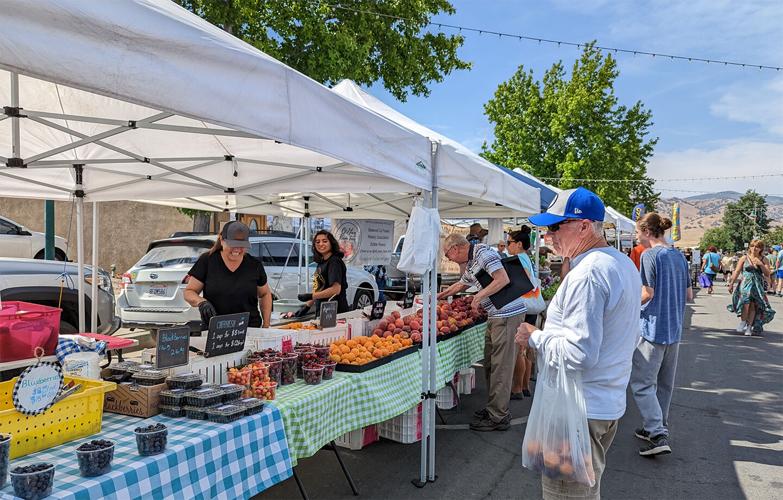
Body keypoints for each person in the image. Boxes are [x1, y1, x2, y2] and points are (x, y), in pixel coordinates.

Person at [515, 187, 641, 500]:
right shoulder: (620, 264)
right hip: (600, 404)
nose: (548, 235)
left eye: (556, 227)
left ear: (583, 226)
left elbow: (579, 353)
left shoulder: (588, 273)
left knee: (567, 495)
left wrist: (535, 337)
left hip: (579, 410)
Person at [439, 233, 526, 431]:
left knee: (501, 366)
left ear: (456, 248)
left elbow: (502, 279)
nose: (448, 259)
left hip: (507, 315)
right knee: (490, 364)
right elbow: (461, 284)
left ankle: (498, 417)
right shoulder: (471, 263)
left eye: (447, 254)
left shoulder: (484, 255)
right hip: (496, 315)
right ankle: (494, 408)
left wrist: (478, 296)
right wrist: (440, 295)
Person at [629, 213, 692, 457]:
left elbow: (648, 293)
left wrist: (628, 304)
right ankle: (655, 425)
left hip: (653, 328)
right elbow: (689, 296)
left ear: (646, 231)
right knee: (665, 384)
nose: (636, 237)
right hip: (674, 328)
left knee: (643, 383)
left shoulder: (649, 256)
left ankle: (656, 433)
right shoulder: (678, 256)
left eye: (637, 232)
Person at [185, 221, 272, 329]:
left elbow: (265, 294)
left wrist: (266, 324)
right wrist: (201, 302)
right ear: (222, 240)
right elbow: (189, 292)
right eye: (232, 244)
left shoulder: (254, 265)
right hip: (215, 328)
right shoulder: (207, 261)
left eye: (241, 245)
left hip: (249, 328)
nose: (237, 249)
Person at [506, 226, 540, 400]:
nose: (507, 246)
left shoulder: (518, 257)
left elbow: (524, 278)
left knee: (520, 348)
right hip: (532, 306)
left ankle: (517, 388)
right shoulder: (527, 257)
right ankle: (525, 386)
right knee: (526, 348)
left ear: (519, 244)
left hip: (522, 305)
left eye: (509, 242)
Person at [727, 240, 775, 336]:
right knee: (745, 302)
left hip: (757, 285)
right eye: (752, 246)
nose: (754, 248)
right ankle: (743, 322)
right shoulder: (744, 258)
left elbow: (767, 273)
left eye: (757, 246)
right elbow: (736, 271)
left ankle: (749, 327)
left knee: (753, 305)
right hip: (745, 284)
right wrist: (731, 283)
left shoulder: (764, 259)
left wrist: (760, 264)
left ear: (761, 248)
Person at [297, 230, 350, 316]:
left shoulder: (334, 262)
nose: (321, 244)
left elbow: (336, 289)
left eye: (325, 241)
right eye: (317, 242)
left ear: (331, 243)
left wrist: (311, 296)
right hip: (323, 310)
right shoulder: (321, 262)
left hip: (335, 312)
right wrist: (307, 306)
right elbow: (319, 288)